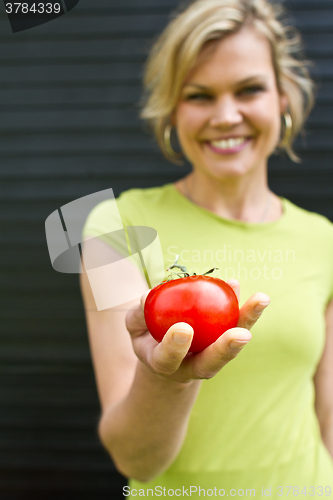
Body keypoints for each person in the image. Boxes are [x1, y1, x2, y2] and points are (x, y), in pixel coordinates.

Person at [80, 0, 333, 497]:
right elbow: (135, 460)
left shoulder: (325, 239)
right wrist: (165, 378)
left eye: (249, 89)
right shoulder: (113, 225)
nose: (226, 116)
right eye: (199, 95)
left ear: (283, 97)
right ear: (173, 109)